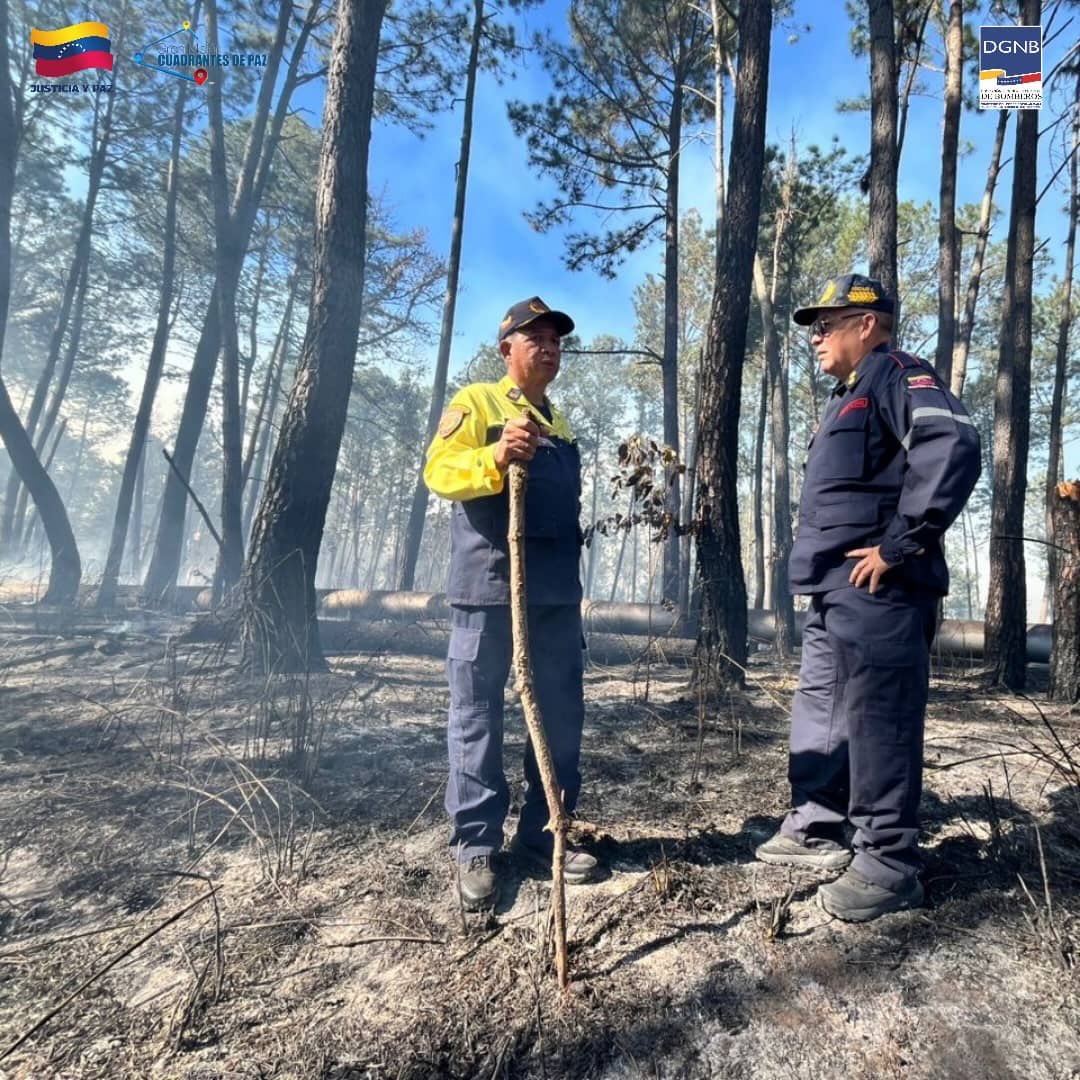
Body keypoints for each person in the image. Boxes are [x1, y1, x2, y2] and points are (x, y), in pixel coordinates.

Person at [755, 273, 981, 922]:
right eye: (812, 327)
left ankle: (888, 864)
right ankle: (819, 824)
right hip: (832, 594)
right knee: (821, 711)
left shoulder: (895, 373)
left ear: (869, 324)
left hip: (881, 592)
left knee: (880, 723)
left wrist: (899, 545)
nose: (816, 336)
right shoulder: (845, 397)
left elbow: (954, 445)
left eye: (828, 323)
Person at [423, 296, 598, 910]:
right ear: (507, 350)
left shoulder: (564, 423)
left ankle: (546, 830)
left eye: (556, 341)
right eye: (536, 339)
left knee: (560, 718)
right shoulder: (477, 403)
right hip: (488, 591)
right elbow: (440, 472)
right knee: (477, 717)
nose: (549, 348)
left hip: (553, 599)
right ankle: (476, 844)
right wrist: (496, 456)